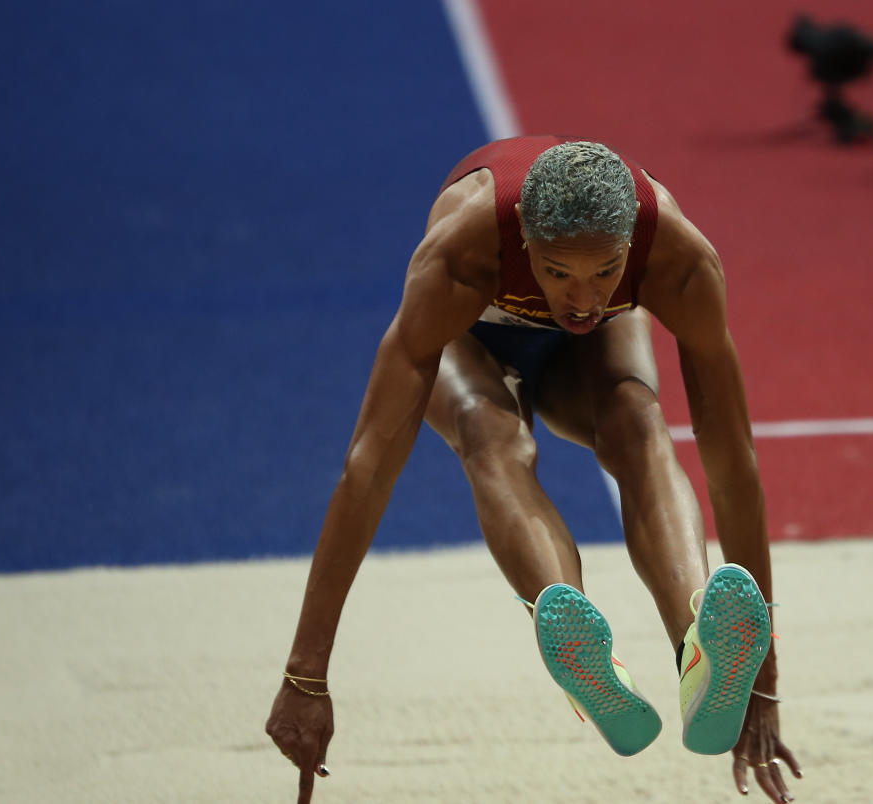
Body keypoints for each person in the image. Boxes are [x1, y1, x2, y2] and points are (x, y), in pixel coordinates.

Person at [266, 136, 801, 802]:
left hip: (595, 352)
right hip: (470, 336)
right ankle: (580, 648)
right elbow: (367, 471)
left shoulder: (678, 257)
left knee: (636, 424)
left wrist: (758, 672)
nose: (581, 299)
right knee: (491, 435)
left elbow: (731, 463)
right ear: (522, 243)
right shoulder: (459, 253)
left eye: (604, 272)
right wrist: (305, 674)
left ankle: (701, 648)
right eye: (558, 272)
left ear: (631, 246)